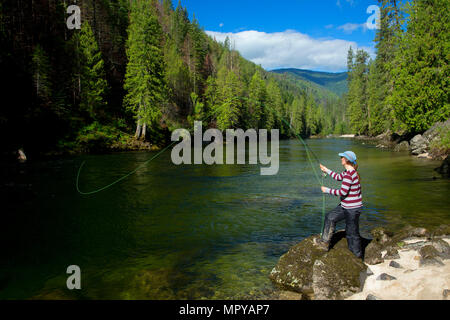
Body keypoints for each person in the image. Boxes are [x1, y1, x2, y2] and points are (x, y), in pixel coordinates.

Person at [315, 151, 363, 258]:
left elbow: (342, 192)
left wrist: (327, 190)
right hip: (345, 205)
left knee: (352, 234)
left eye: (342, 157)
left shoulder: (350, 175)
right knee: (330, 217)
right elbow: (337, 177)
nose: (340, 158)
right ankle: (324, 242)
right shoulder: (347, 172)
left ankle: (357, 258)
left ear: (346, 160)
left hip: (353, 209)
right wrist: (326, 169)